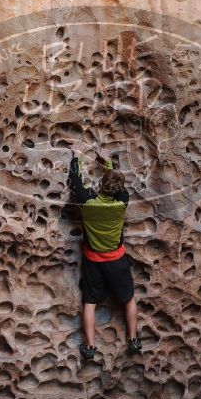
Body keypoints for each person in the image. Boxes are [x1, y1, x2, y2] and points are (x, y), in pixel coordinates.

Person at [68, 150, 141, 360]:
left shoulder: (87, 202)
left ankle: (90, 346)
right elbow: (118, 188)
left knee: (90, 302)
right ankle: (133, 339)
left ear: (101, 185)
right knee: (128, 299)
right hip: (117, 261)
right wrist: (107, 163)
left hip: (93, 261)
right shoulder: (122, 203)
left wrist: (76, 158)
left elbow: (75, 183)